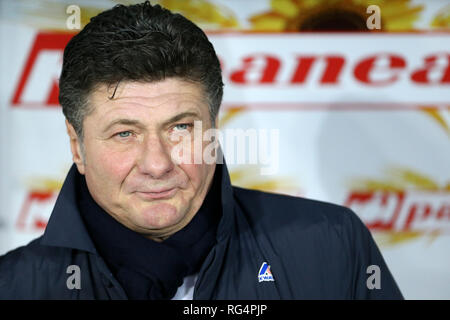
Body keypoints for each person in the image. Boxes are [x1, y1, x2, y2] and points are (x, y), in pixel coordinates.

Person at [0, 1, 403, 300]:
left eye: (180, 127)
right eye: (125, 133)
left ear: (214, 126)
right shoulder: (15, 286)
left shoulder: (332, 245)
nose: (157, 164)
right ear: (77, 146)